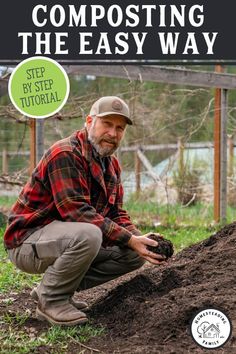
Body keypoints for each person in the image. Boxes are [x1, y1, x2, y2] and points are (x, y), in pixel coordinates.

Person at [3, 96, 166, 326]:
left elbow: (116, 213)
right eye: (107, 124)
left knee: (131, 254)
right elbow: (76, 211)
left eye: (120, 128)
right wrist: (129, 238)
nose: (113, 133)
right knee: (89, 234)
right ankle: (51, 300)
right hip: (27, 241)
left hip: (63, 239)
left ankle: (52, 288)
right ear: (89, 121)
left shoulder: (112, 164)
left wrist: (139, 240)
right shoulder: (65, 154)